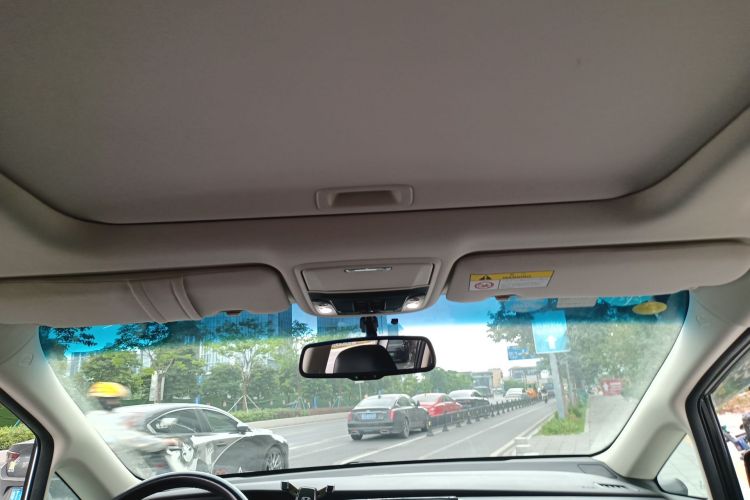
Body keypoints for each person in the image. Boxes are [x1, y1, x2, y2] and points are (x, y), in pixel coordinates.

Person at [87, 382, 178, 476]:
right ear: (102, 400)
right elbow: (133, 438)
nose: (117, 402)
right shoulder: (103, 419)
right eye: (114, 399)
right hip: (114, 470)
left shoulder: (92, 417)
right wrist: (165, 442)